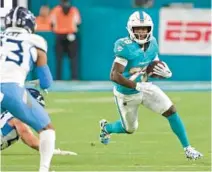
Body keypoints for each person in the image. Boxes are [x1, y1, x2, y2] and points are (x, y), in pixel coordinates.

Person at [99, 11, 203, 160]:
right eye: (138, 29)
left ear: (150, 29)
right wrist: (136, 86)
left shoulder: (153, 43)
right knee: (129, 129)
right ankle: (106, 128)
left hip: (146, 87)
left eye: (144, 28)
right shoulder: (125, 46)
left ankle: (188, 148)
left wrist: (162, 72)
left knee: (171, 110)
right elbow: (114, 75)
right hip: (127, 93)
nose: (141, 32)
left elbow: (152, 63)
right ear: (130, 29)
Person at [0, 6, 54, 172]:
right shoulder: (36, 41)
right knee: (47, 129)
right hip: (11, 88)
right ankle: (43, 169)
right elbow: (46, 82)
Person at [0, 88, 77, 156]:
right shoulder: (17, 116)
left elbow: (25, 136)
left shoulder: (13, 111)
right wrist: (52, 151)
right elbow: (29, 139)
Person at [51, 0, 81, 80]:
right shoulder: (56, 10)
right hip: (62, 35)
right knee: (59, 59)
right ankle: (59, 78)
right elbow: (78, 23)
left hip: (69, 35)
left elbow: (77, 23)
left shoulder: (73, 10)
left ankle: (74, 78)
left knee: (72, 58)